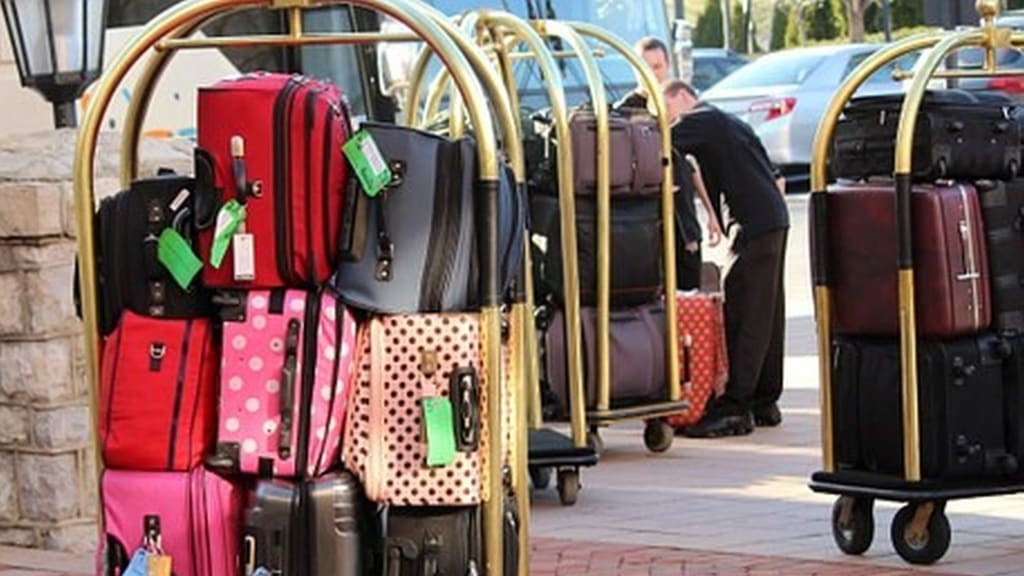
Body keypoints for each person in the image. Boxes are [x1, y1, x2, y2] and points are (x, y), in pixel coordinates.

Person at [666, 80, 790, 438]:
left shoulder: (701, 119)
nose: (669, 117)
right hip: (772, 217)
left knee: (744, 310)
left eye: (666, 106)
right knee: (766, 312)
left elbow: (659, 140)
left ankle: (735, 406)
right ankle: (764, 400)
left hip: (751, 222)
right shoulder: (731, 122)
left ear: (682, 97)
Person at [664, 80, 723, 289]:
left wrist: (711, 212)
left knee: (689, 286)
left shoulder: (685, 127)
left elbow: (691, 167)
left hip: (685, 220)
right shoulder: (643, 113)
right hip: (662, 222)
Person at [617, 36, 672, 110]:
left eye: (657, 67)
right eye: (645, 68)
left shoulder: (682, 104)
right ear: (634, 68)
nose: (651, 74)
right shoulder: (624, 112)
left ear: (668, 65)